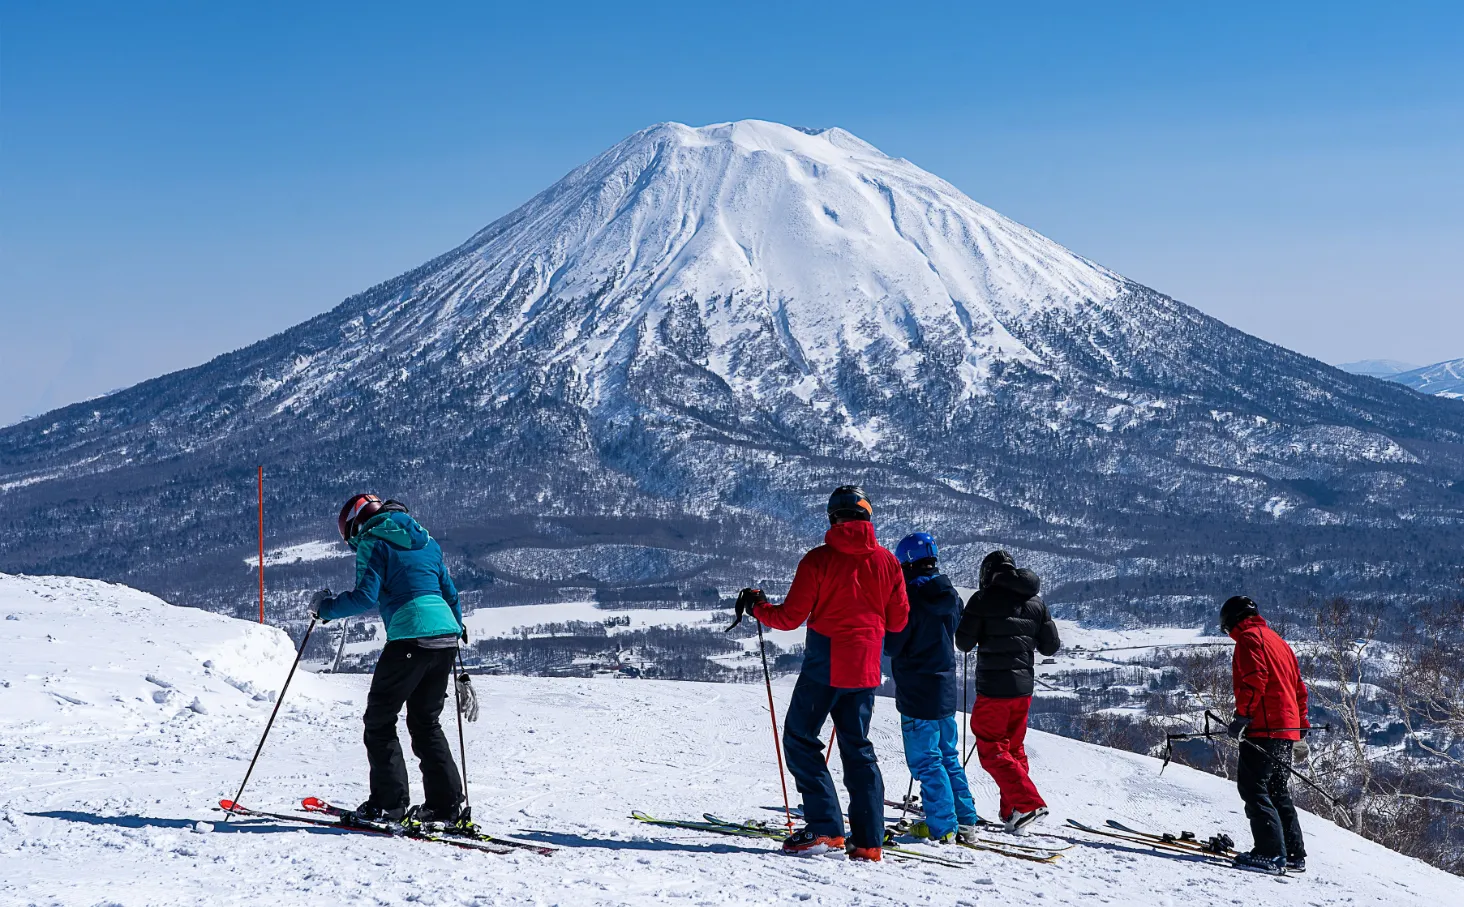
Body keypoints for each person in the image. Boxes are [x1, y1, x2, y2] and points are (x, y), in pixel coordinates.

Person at [746, 485, 909, 862]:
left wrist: (758, 608)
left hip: (826, 664)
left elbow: (788, 618)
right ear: (867, 517)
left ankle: (825, 829)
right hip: (866, 669)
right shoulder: (888, 562)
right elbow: (899, 620)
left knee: (801, 738)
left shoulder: (818, 561)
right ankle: (869, 841)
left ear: (833, 518)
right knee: (858, 749)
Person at [311, 494, 468, 826]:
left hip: (410, 635)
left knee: (380, 719)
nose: (353, 543)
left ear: (357, 524)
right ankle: (446, 806)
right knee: (426, 723)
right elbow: (450, 594)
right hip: (445, 638)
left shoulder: (373, 540)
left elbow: (364, 597)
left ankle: (389, 804)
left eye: (350, 536)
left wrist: (324, 609)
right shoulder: (427, 541)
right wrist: (456, 632)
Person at [884, 532, 981, 845]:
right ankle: (965, 820)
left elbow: (894, 644)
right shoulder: (950, 593)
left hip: (916, 686)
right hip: (944, 684)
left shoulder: (909, 595)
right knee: (947, 755)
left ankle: (942, 826)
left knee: (926, 759)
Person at [954, 550, 1060, 835]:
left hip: (994, 689)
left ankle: (1028, 804)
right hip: (1023, 689)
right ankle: (1013, 811)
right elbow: (1050, 646)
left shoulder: (982, 600)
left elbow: (964, 642)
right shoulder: (1036, 603)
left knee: (990, 748)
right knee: (1013, 749)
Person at [1221, 595, 1310, 875]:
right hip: (1286, 727)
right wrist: (1300, 725)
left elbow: (1254, 679)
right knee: (1277, 789)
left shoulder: (1249, 639)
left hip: (1264, 726)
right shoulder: (1278, 641)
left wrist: (1242, 716)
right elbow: (1298, 687)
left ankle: (1270, 853)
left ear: (1231, 621)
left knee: (1253, 787)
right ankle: (1293, 854)